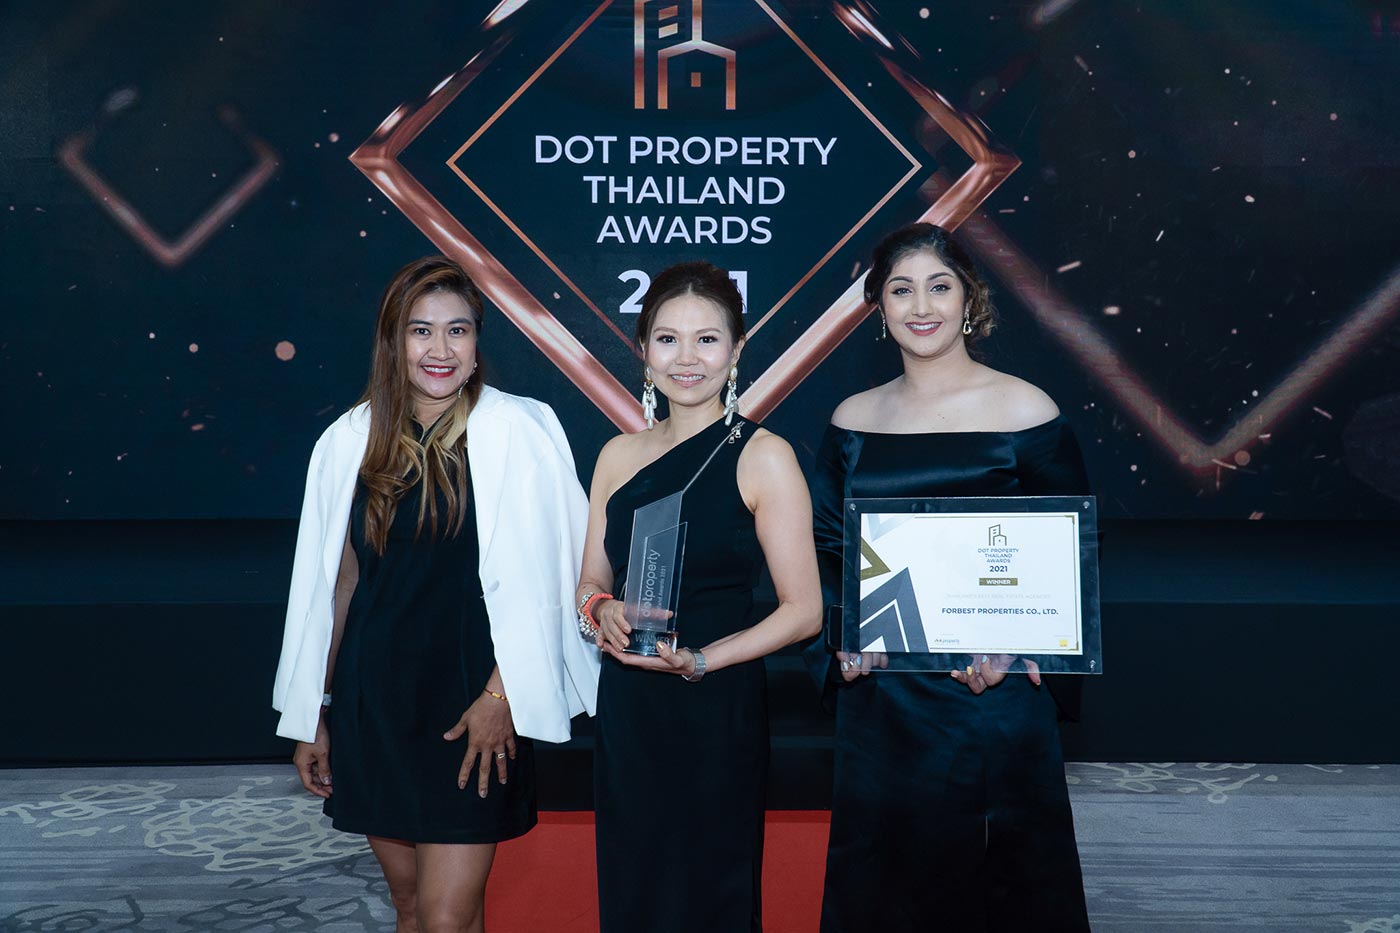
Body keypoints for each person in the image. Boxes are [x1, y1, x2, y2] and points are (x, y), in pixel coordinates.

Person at [272, 256, 599, 933]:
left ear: (477, 343)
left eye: (458, 330)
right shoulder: (348, 440)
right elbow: (338, 586)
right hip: (375, 705)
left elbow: (562, 578)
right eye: (421, 330)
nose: (440, 349)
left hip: (474, 706)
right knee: (412, 907)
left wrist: (502, 696)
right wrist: (314, 711)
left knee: (447, 915)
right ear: (394, 342)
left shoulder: (523, 430)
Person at [811, 224, 1091, 932]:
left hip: (994, 694)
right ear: (878, 306)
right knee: (885, 889)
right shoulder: (853, 419)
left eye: (939, 287)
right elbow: (830, 551)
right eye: (900, 290)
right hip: (885, 701)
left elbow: (1069, 551)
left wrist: (1025, 647)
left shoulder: (1028, 410)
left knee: (1002, 888)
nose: (921, 306)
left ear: (969, 298)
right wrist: (845, 642)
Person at [575, 262, 823, 933]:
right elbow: (590, 581)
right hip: (630, 705)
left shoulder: (764, 455)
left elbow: (804, 610)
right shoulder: (617, 456)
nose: (686, 359)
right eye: (668, 339)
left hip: (718, 704)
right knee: (634, 888)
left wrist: (704, 659)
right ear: (643, 349)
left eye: (707, 340)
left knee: (711, 892)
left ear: (737, 350)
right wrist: (602, 611)